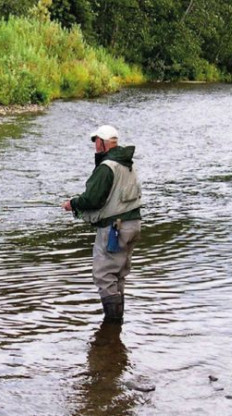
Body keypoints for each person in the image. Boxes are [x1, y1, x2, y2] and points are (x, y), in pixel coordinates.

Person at [62, 125, 142, 325]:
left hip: (114, 229)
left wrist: (73, 204)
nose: (95, 146)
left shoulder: (107, 167)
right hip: (133, 225)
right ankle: (116, 328)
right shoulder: (127, 163)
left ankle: (112, 326)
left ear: (102, 143)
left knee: (104, 275)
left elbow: (93, 199)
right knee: (118, 275)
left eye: (96, 141)